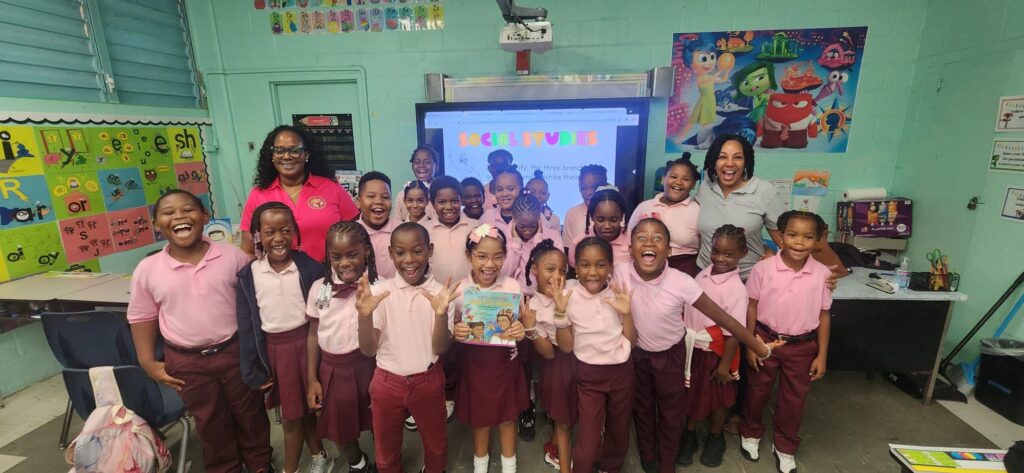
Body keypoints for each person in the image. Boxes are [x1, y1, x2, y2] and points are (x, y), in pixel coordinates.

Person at [615, 218, 776, 473]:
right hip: (636, 356)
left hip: (671, 356)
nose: (649, 242)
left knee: (671, 412)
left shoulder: (682, 282)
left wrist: (758, 347)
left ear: (669, 250)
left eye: (658, 238)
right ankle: (648, 456)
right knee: (642, 408)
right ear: (630, 248)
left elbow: (725, 319)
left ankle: (667, 462)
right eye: (641, 238)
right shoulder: (620, 273)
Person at [128, 190, 272, 473]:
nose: (179, 217)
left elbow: (255, 309)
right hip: (187, 361)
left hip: (235, 353)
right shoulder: (148, 269)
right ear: (157, 224)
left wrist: (261, 357)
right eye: (168, 213)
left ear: (205, 216)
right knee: (209, 421)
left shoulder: (233, 257)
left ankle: (260, 465)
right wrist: (147, 361)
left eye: (188, 210)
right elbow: (142, 316)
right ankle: (225, 467)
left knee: (250, 414)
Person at [236, 202, 332, 473]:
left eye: (285, 230)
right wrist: (250, 369)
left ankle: (306, 462)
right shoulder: (248, 275)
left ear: (295, 232)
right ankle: (315, 457)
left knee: (310, 410)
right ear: (257, 235)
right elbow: (246, 325)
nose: (278, 238)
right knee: (292, 417)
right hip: (275, 352)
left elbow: (326, 304)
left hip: (309, 346)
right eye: (269, 232)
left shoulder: (311, 268)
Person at [356, 222, 458, 473]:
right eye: (400, 252)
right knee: (386, 449)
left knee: (435, 446)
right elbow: (369, 350)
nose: (409, 260)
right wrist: (364, 317)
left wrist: (442, 314)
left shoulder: (441, 295)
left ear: (430, 250)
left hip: (428, 380)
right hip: (387, 382)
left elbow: (441, 347)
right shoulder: (380, 293)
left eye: (417, 250)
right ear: (390, 254)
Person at [739, 211, 832, 473]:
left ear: (817, 240)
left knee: (794, 399)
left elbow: (824, 315)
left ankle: (785, 445)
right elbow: (751, 307)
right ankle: (751, 432)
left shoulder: (822, 274)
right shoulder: (763, 268)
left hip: (802, 346)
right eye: (792, 235)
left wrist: (821, 355)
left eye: (807, 237)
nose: (799, 242)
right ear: (780, 236)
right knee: (757, 391)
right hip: (764, 340)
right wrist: (750, 344)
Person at [551, 237, 635, 473]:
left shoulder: (618, 294)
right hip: (589, 375)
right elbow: (566, 347)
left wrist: (627, 313)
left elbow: (632, 342)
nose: (593, 272)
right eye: (585, 265)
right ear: (576, 267)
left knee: (619, 429)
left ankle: (611, 467)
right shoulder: (568, 294)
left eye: (600, 265)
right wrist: (559, 313)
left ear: (610, 267)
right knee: (588, 443)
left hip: (622, 372)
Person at [452, 224, 528, 473]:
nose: (489, 264)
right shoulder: (460, 291)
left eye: (497, 257)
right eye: (481, 256)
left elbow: (520, 326)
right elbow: (452, 328)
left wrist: (520, 331)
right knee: (480, 420)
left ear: (505, 257)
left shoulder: (513, 287)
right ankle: (480, 465)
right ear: (469, 256)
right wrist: (456, 331)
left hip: (505, 364)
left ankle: (510, 467)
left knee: (508, 418)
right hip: (475, 366)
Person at [305, 222, 378, 473]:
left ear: (366, 251)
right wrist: (312, 378)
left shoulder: (380, 288)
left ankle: (388, 460)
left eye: (352, 254)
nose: (344, 263)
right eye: (336, 257)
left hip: (372, 366)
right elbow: (314, 334)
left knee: (381, 421)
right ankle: (359, 463)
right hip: (333, 369)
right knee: (340, 429)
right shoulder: (320, 288)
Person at [679, 225, 749, 468]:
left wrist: (724, 365)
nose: (720, 258)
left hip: (717, 354)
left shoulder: (737, 290)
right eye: (716, 251)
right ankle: (689, 434)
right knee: (692, 394)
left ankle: (715, 437)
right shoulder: (702, 276)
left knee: (718, 399)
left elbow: (734, 333)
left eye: (728, 254)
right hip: (694, 350)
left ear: (743, 253)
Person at [240, 125, 359, 262]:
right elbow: (248, 250)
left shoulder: (331, 187)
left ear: (306, 155)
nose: (286, 156)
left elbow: (355, 237)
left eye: (294, 150)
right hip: (279, 277)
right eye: (279, 151)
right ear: (272, 155)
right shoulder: (258, 194)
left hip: (330, 275)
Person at [519, 240, 576, 472]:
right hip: (559, 366)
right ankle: (562, 463)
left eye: (562, 270)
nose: (557, 276)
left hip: (583, 358)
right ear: (534, 270)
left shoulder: (573, 289)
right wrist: (530, 328)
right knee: (564, 420)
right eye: (550, 269)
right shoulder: (533, 306)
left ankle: (553, 446)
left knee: (574, 413)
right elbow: (550, 354)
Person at [695, 134, 784, 280]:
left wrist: (779, 259)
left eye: (737, 157)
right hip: (705, 276)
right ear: (713, 161)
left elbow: (786, 240)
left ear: (746, 162)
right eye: (722, 157)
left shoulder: (764, 190)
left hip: (748, 279)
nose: (729, 163)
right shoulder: (705, 187)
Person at [627, 153, 701, 276]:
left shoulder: (697, 211)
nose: (678, 182)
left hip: (683, 270)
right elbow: (629, 240)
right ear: (663, 179)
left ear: (693, 184)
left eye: (686, 179)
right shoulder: (644, 206)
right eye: (673, 176)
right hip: (644, 267)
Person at [504, 194, 563, 295]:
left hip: (545, 297)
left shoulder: (553, 236)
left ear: (539, 217)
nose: (527, 231)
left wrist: (538, 243)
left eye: (533, 226)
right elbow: (504, 273)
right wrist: (516, 244)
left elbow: (558, 272)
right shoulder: (504, 235)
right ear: (513, 218)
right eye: (522, 226)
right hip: (514, 298)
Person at [427, 176, 479, 284]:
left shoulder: (475, 227)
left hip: (469, 293)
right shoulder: (424, 230)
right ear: (433, 204)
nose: (449, 207)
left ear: (461, 201)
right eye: (442, 202)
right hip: (436, 294)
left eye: (455, 201)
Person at [568, 187, 629, 269]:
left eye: (614, 220)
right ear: (592, 217)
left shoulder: (631, 241)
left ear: (622, 217)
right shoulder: (578, 243)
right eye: (601, 220)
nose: (607, 226)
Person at [356, 171, 399, 279]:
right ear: (358, 202)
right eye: (371, 196)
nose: (379, 201)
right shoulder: (350, 235)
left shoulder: (403, 231)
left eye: (385, 197)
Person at [561, 165, 607, 249]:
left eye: (594, 188)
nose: (588, 193)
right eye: (583, 188)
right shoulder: (572, 214)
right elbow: (567, 249)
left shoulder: (615, 212)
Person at [394, 146, 440, 222]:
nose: (421, 165)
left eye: (427, 162)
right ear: (412, 166)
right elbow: (396, 225)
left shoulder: (442, 194)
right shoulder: (401, 195)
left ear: (437, 166)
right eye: (417, 162)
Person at [479, 167, 523, 237]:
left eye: (511, 189)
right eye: (499, 189)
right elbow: (477, 245)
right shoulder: (487, 217)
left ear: (521, 189)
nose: (504, 194)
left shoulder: (535, 216)